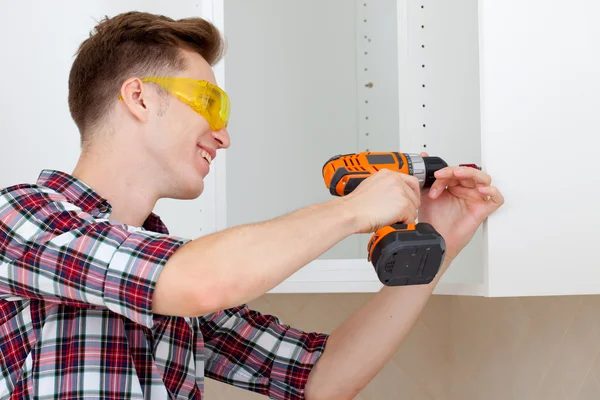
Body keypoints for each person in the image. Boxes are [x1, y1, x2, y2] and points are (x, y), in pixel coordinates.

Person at [0, 11, 504, 400]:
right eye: (211, 104)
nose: (223, 135)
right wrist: (354, 209)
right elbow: (198, 282)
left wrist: (440, 244)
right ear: (139, 98)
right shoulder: (19, 220)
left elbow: (320, 379)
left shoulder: (173, 268)